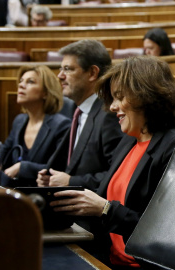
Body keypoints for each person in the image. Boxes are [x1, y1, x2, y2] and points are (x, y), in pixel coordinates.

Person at [50, 55, 175, 268]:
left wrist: (105, 209)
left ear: (146, 95)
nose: (112, 107)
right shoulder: (128, 142)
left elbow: (167, 234)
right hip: (106, 259)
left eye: (119, 97)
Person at [36, 40, 123, 190]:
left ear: (92, 73)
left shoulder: (109, 114)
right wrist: (51, 179)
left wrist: (71, 181)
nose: (60, 76)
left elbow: (118, 174)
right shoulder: (78, 112)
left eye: (68, 69)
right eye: (61, 69)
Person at [0, 65, 70, 186]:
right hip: (13, 191)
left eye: (30, 82)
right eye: (21, 81)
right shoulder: (19, 120)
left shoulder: (61, 125)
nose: (21, 85)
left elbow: (58, 168)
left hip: (39, 195)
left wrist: (22, 168)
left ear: (46, 93)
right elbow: (5, 148)